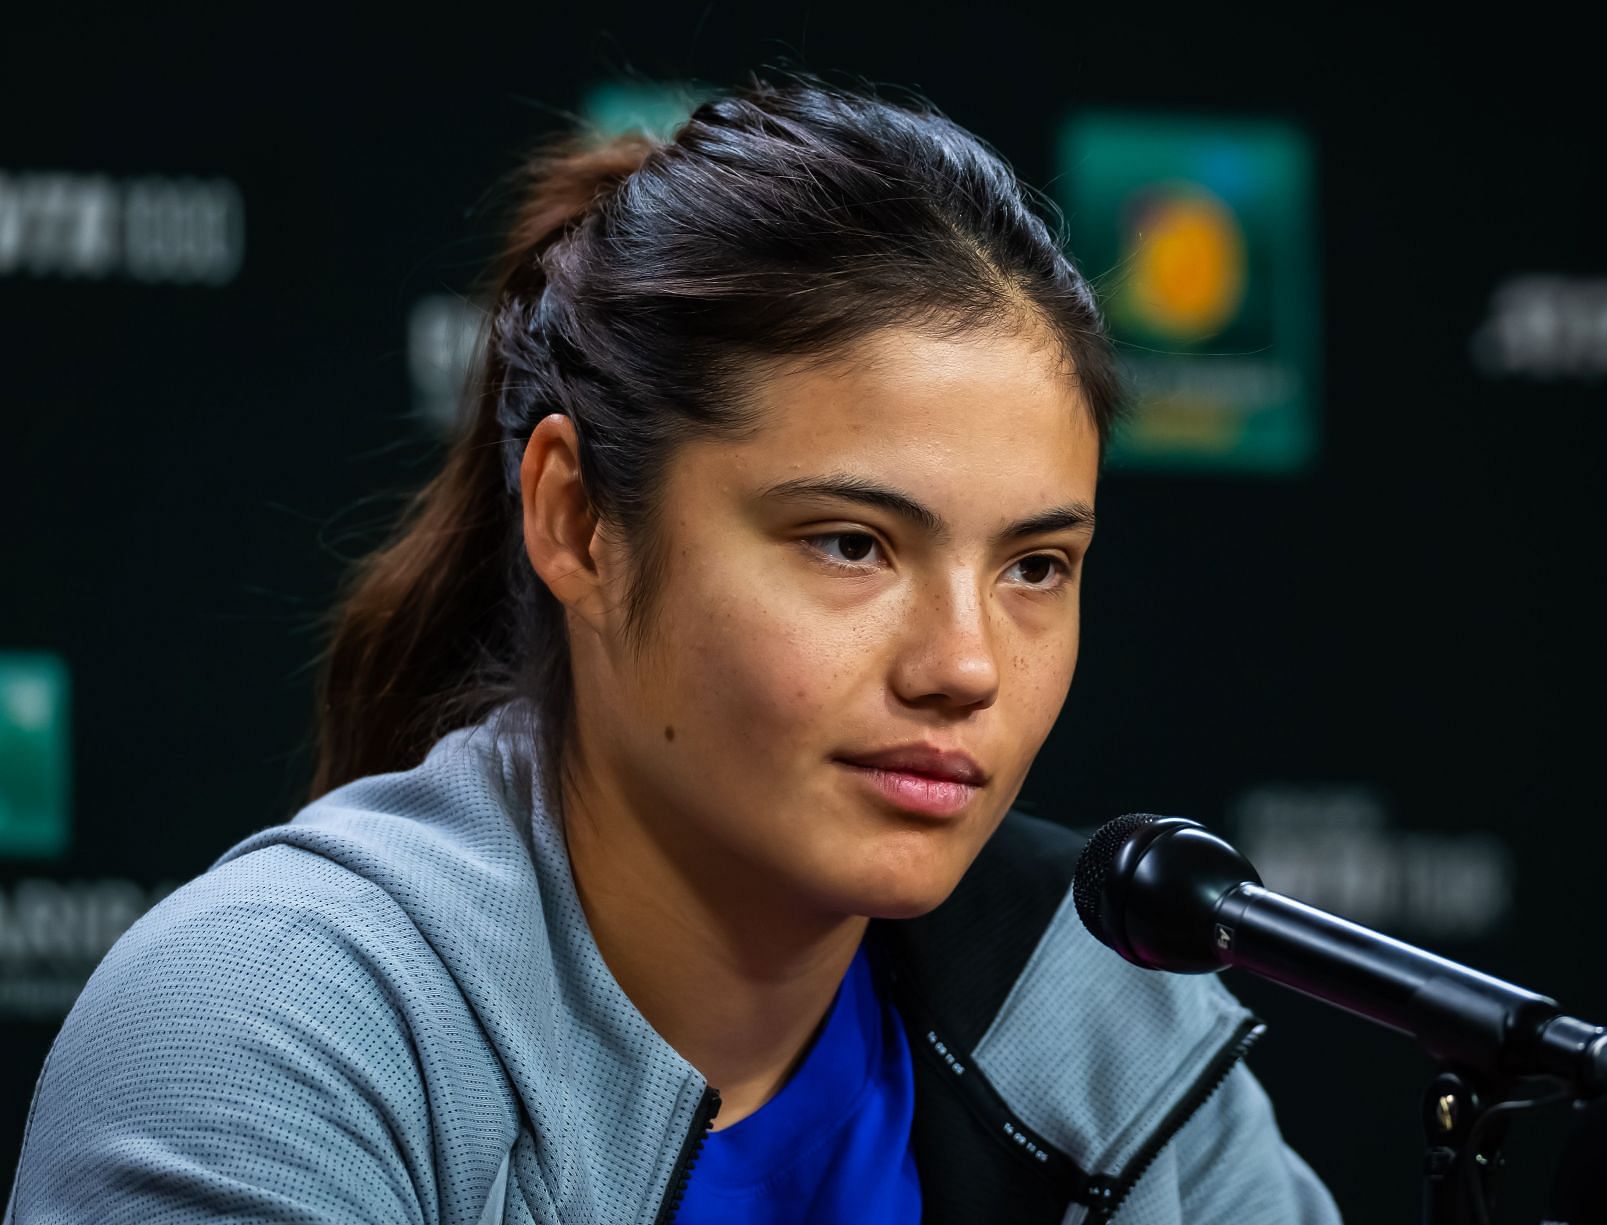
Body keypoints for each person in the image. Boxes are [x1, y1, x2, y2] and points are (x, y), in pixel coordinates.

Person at [4, 73, 1338, 1225]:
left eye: (1036, 566)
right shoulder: (272, 1029)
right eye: (851, 543)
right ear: (578, 519)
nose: (966, 663)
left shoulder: (1105, 1018)